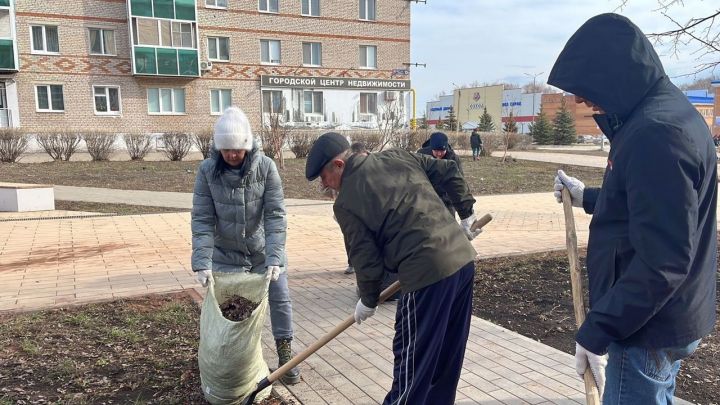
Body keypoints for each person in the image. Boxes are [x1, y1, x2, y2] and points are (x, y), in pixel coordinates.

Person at [550, 14, 717, 404]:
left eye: (584, 87)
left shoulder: (656, 133)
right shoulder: (657, 115)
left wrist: (598, 329)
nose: (578, 100)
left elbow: (664, 261)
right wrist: (586, 196)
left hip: (645, 327)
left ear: (613, 74)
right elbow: (648, 203)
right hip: (661, 315)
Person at [305, 132, 482, 404]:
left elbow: (365, 257)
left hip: (426, 275)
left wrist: (368, 299)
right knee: (446, 361)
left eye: (323, 178)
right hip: (462, 262)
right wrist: (467, 213)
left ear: (339, 166)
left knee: (412, 366)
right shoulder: (398, 155)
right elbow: (449, 170)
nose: (324, 186)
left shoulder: (345, 203)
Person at [191, 107, 300, 385]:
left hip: (263, 250)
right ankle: (233, 362)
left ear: (247, 146)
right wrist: (202, 262)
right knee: (229, 309)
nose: (231, 155)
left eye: (237, 149)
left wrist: (275, 257)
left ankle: (286, 356)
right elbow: (202, 219)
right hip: (226, 254)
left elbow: (275, 214)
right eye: (226, 149)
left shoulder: (266, 168)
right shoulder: (207, 172)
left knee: (279, 297)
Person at [417, 131, 464, 216]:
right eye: (436, 151)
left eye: (442, 151)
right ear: (432, 148)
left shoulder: (453, 159)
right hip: (427, 197)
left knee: (449, 223)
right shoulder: (421, 155)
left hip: (447, 197)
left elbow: (460, 182)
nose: (439, 154)